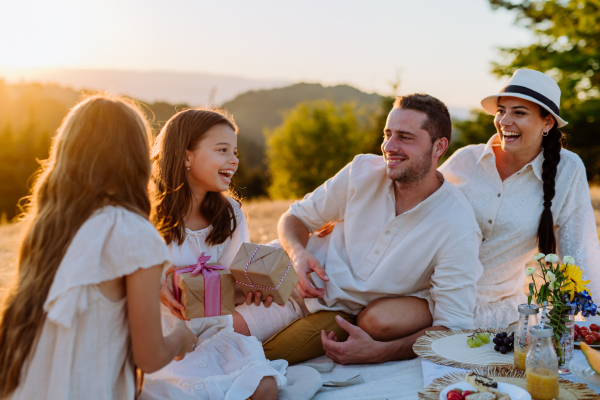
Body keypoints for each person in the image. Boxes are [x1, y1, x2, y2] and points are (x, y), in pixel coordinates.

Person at [233, 93, 485, 364]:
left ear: (439, 147)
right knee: (202, 303)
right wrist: (297, 254)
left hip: (324, 306)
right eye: (387, 134)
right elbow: (295, 217)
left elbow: (453, 328)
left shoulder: (458, 226)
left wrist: (381, 352)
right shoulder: (362, 170)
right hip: (286, 267)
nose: (389, 146)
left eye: (405, 137)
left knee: (231, 343)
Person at [0, 95, 198, 399]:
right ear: (136, 161)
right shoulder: (131, 230)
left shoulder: (53, 227)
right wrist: (181, 338)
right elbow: (151, 356)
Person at [440, 69, 600, 328]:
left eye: (519, 112)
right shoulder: (466, 160)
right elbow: (419, 214)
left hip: (494, 311)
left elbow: (580, 254)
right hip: (434, 295)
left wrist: (593, 326)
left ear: (547, 123)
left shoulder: (567, 171)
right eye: (501, 110)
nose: (504, 120)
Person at [145, 108, 284, 400]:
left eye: (234, 151)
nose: (233, 160)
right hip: (163, 339)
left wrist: (251, 289)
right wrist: (154, 287)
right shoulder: (148, 213)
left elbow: (231, 283)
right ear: (186, 156)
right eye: (222, 150)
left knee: (264, 387)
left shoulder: (230, 213)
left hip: (214, 333)